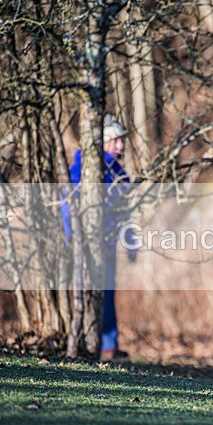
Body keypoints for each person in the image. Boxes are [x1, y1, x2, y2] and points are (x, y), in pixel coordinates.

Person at [62, 114, 136, 361]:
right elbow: (68, 204)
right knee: (89, 293)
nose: (121, 146)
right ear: (102, 142)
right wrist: (71, 237)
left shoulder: (120, 174)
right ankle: (86, 343)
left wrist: (131, 243)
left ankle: (108, 345)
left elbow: (126, 213)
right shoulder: (83, 168)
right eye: (115, 141)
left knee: (107, 293)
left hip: (109, 243)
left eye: (122, 140)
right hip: (88, 243)